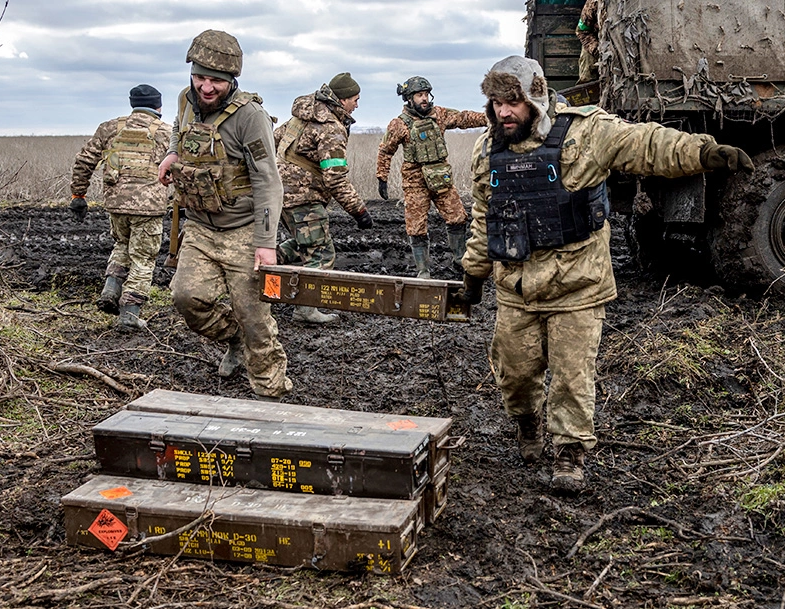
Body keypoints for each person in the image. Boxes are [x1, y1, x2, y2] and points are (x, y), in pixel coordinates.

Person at [455, 55, 753, 493]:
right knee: (514, 375)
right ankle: (527, 423)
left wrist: (704, 153)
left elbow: (646, 144)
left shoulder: (585, 133)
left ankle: (570, 453)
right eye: (497, 103)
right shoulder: (487, 150)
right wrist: (473, 273)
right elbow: (485, 218)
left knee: (572, 376)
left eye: (512, 102)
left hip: (577, 284)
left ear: (535, 98)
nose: (504, 112)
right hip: (517, 288)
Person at [157, 29, 291, 399]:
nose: (206, 87)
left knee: (255, 319)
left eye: (215, 80)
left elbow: (268, 181)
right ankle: (234, 338)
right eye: (199, 77)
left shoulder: (250, 116)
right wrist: (172, 153)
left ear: (232, 79)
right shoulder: (186, 99)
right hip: (200, 227)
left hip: (244, 230)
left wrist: (265, 243)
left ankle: (270, 394)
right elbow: (179, 127)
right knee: (186, 298)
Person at [274, 72, 374, 325]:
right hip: (304, 198)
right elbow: (336, 179)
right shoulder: (331, 128)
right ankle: (306, 310)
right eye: (355, 99)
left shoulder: (302, 116)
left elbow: (274, 141)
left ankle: (268, 264)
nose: (357, 105)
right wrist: (359, 211)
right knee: (321, 252)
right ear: (342, 100)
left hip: (279, 194)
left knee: (305, 242)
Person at [69, 84, 171, 331]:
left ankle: (111, 291)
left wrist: (78, 195)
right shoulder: (167, 132)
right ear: (158, 106)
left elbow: (84, 161)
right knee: (143, 259)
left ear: (132, 104)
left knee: (122, 245)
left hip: (116, 205)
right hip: (148, 208)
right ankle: (130, 314)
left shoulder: (110, 128)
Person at [376, 76, 486, 278]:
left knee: (458, 217)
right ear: (409, 98)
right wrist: (382, 177)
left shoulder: (439, 115)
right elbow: (385, 151)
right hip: (415, 181)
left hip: (440, 176)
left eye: (426, 94)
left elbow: (463, 118)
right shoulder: (399, 124)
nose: (425, 98)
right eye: (420, 95)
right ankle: (423, 270)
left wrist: (490, 118)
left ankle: (459, 260)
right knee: (416, 227)